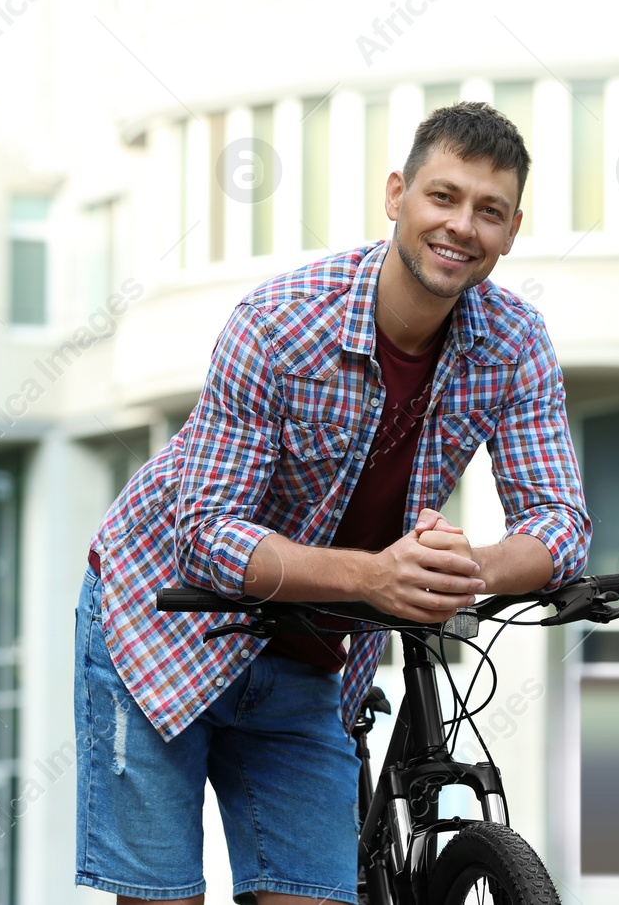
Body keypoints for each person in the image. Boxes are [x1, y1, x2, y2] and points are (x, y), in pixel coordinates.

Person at [74, 101, 590, 904]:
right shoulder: (279, 325)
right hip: (160, 622)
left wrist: (468, 568)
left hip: (306, 652)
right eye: (442, 197)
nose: (462, 226)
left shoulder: (515, 341)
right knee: (162, 898)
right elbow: (208, 536)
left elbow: (561, 523)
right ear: (397, 196)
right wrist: (374, 577)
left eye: (489, 211)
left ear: (513, 229)